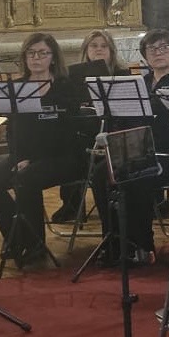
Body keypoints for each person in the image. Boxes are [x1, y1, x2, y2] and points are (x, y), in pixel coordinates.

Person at [90, 29, 169, 266]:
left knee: (134, 176)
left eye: (164, 47)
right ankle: (115, 242)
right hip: (140, 153)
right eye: (151, 49)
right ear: (144, 56)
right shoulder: (139, 83)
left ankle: (141, 246)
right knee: (101, 172)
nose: (158, 52)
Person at [0, 33, 89, 266]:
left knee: (26, 177)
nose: (36, 58)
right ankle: (16, 238)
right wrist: (21, 157)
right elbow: (13, 132)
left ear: (53, 58)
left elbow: (67, 135)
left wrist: (32, 159)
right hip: (25, 156)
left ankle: (35, 247)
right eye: (31, 53)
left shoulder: (66, 88)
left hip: (63, 156)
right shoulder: (15, 88)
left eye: (42, 53)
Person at [55, 30, 128, 223]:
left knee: (99, 162)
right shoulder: (75, 75)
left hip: (112, 130)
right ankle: (71, 204)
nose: (99, 50)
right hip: (86, 130)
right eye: (94, 46)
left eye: (104, 46)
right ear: (86, 50)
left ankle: (111, 208)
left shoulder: (121, 73)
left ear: (111, 51)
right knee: (66, 146)